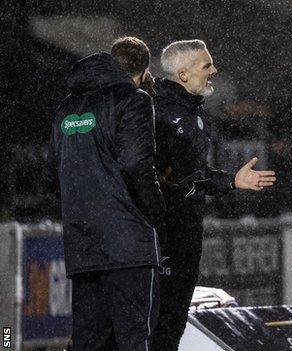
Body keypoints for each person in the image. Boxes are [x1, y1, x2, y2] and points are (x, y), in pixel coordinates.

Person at [150, 39, 276, 350]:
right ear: (182, 74)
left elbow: (194, 176)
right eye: (206, 66)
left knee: (172, 325)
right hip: (160, 234)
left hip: (187, 231)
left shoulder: (199, 115)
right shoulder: (154, 113)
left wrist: (232, 181)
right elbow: (163, 177)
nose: (214, 71)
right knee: (156, 324)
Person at [48, 37, 165, 350]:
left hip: (84, 247)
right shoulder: (134, 98)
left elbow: (53, 176)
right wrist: (155, 213)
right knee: (135, 340)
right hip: (128, 248)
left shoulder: (66, 108)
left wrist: (82, 214)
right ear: (143, 71)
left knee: (88, 343)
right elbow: (136, 164)